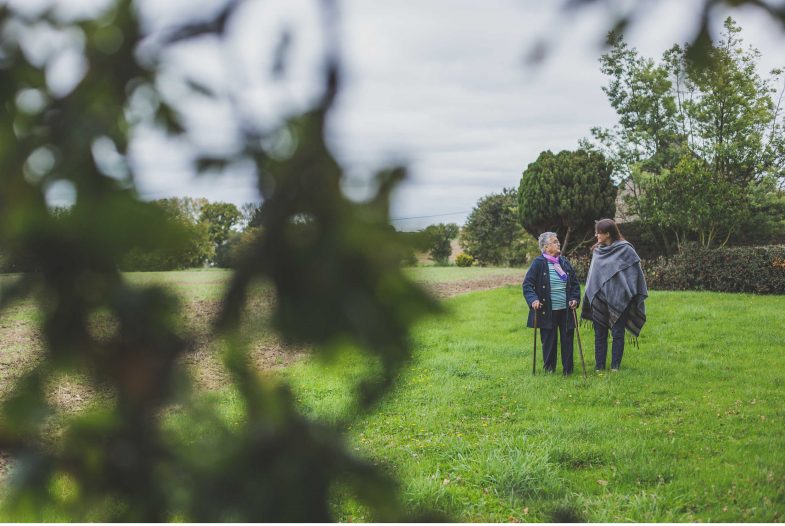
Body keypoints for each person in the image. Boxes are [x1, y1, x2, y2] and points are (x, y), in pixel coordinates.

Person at [581, 218, 648, 371]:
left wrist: (627, 292)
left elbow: (634, 275)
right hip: (599, 298)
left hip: (619, 299)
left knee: (618, 333)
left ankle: (615, 367)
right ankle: (599, 367)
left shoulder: (626, 250)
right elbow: (594, 277)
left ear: (608, 234)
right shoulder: (597, 251)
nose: (596, 236)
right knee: (600, 334)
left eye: (599, 233)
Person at [522, 232, 581, 375]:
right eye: (555, 242)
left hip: (566, 308)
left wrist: (575, 299)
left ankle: (568, 371)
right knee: (549, 341)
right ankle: (549, 370)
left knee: (567, 339)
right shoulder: (538, 263)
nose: (558, 243)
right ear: (546, 247)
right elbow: (527, 285)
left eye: (558, 241)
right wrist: (533, 300)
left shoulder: (564, 262)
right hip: (547, 310)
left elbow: (574, 284)